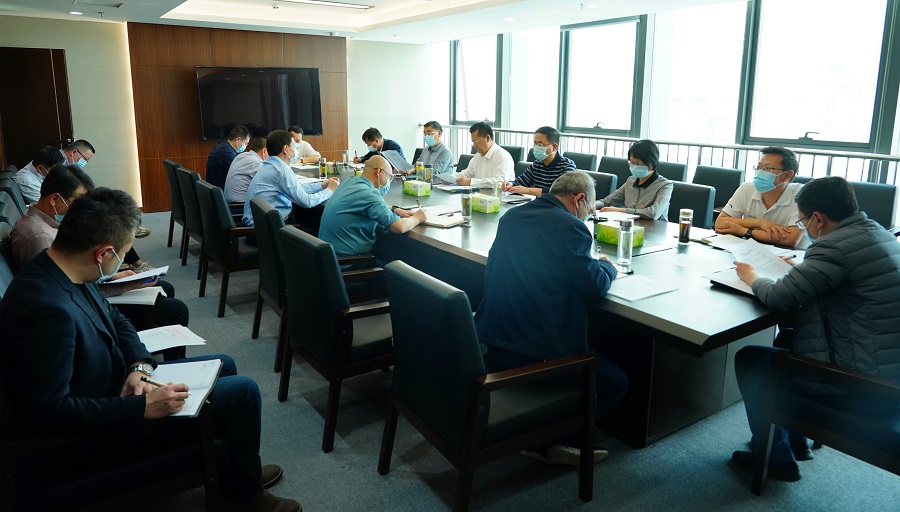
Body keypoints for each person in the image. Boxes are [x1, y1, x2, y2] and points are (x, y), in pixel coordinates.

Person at [0, 188, 300, 511]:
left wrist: (139, 366)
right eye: (122, 253)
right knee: (244, 392)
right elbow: (50, 414)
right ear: (103, 254)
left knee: (224, 364)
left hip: (117, 387)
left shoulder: (64, 266)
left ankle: (238, 472)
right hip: (98, 435)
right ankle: (246, 497)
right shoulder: (46, 309)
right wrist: (143, 408)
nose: (123, 259)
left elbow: (115, 319)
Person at [729, 176, 900, 482]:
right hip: (887, 367)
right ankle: (795, 441)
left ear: (818, 219)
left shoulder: (833, 247)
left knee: (751, 359)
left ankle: (776, 459)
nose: (804, 226)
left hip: (862, 384)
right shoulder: (875, 232)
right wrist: (800, 271)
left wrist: (751, 275)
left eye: (803, 220)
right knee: (787, 338)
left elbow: (778, 297)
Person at [475, 171, 628, 466]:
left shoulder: (513, 216)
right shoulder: (570, 226)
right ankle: (552, 440)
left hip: (493, 341)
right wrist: (607, 267)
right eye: (590, 208)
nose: (589, 214)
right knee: (616, 382)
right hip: (533, 355)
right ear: (579, 199)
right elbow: (594, 285)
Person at [10, 166, 189, 358]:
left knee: (164, 290)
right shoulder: (41, 240)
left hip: (95, 306)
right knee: (175, 309)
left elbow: (108, 311)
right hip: (92, 323)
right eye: (78, 201)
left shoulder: (57, 239)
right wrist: (122, 286)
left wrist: (140, 362)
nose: (83, 209)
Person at [318, 155, 426, 259]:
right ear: (379, 172)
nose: (389, 181)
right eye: (389, 177)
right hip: (349, 263)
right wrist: (417, 218)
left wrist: (395, 209)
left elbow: (365, 205)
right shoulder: (369, 193)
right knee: (398, 266)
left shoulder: (349, 181)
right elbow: (399, 227)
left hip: (328, 260)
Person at [242, 129, 338, 227]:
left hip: (261, 225)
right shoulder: (281, 170)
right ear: (286, 149)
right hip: (268, 229)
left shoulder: (271, 165)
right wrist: (330, 190)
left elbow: (295, 188)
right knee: (317, 223)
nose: (295, 150)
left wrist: (322, 185)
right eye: (293, 146)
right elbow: (307, 201)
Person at [715, 147, 804, 246]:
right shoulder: (747, 188)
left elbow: (791, 239)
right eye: (758, 167)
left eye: (768, 168)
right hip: (750, 249)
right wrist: (759, 223)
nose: (760, 172)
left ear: (787, 175)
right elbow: (720, 223)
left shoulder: (801, 195)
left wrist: (743, 231)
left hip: (788, 253)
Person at [595, 139, 672, 221]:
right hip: (630, 225)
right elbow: (607, 201)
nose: (634, 166)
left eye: (638, 164)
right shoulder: (631, 180)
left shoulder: (665, 185)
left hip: (655, 227)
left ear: (651, 163)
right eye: (632, 163)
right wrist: (592, 205)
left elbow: (653, 213)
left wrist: (621, 210)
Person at [502, 126, 575, 197]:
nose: (536, 147)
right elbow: (522, 181)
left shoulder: (567, 166)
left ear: (554, 147)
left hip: (556, 204)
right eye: (535, 144)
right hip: (539, 202)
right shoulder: (537, 164)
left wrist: (528, 191)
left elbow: (563, 192)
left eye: (540, 144)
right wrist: (510, 184)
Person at [452, 122, 514, 189]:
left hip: (499, 194)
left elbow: (500, 181)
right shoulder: (478, 156)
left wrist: (471, 182)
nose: (474, 145)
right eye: (473, 142)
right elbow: (467, 173)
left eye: (476, 141)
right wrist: (451, 178)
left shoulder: (503, 156)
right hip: (480, 193)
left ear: (487, 138)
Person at [225, 136, 268, 203]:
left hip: (230, 203)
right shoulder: (256, 162)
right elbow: (270, 181)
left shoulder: (241, 156)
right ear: (264, 151)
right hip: (239, 206)